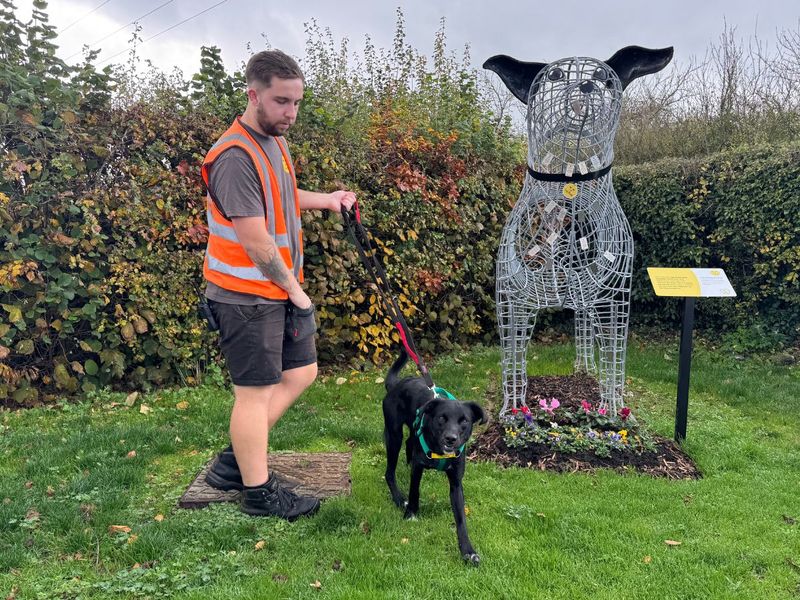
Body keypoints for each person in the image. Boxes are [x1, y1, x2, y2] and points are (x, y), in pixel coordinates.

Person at [200, 49, 356, 519]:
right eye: (282, 102)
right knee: (254, 392)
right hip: (245, 294)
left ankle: (233, 463)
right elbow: (256, 241)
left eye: (297, 102)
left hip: (275, 289)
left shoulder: (274, 142)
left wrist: (327, 200)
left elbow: (282, 198)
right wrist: (297, 291)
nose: (291, 113)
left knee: (302, 372)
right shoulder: (233, 156)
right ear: (254, 94)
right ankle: (258, 492)